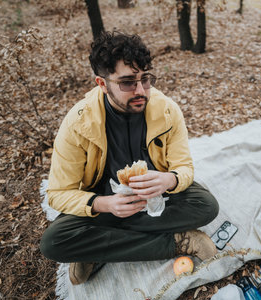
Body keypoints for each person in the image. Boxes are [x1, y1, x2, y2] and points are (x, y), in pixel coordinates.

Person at [40, 31, 219, 285]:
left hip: (157, 196)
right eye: (127, 83)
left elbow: (184, 167)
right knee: (53, 242)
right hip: (106, 202)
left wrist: (169, 179)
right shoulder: (77, 124)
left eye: (145, 79)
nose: (141, 91)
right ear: (102, 84)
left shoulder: (167, 110)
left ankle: (96, 246)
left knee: (206, 205)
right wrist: (105, 204)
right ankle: (178, 242)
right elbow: (58, 193)